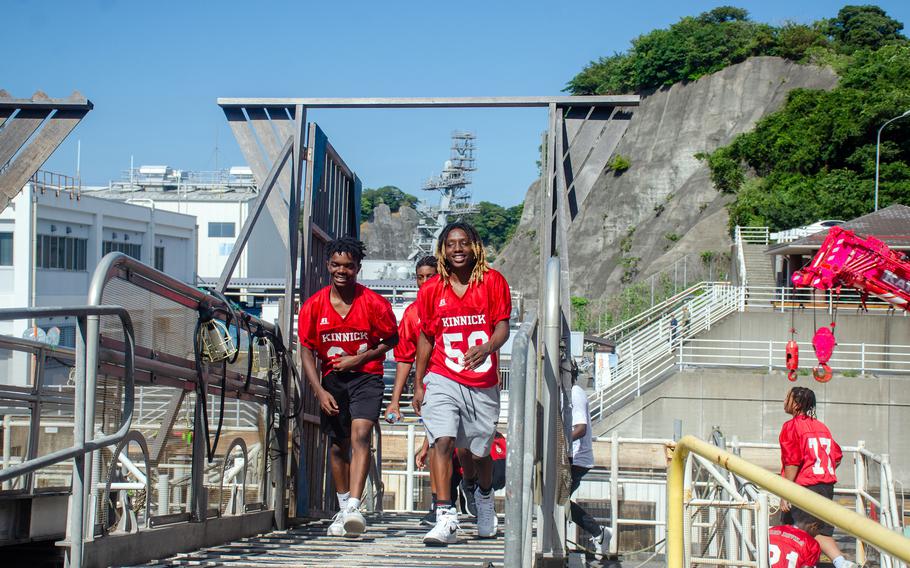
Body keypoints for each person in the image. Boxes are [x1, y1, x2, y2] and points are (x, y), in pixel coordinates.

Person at [412, 221, 511, 546]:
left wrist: (487, 348)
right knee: (443, 440)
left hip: (481, 381)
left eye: (464, 243)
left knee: (479, 453)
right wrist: (419, 381)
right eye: (451, 243)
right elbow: (426, 338)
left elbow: (502, 328)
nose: (458, 248)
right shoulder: (431, 291)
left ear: (475, 247)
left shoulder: (493, 282)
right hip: (443, 375)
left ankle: (483, 499)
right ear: (443, 249)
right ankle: (446, 515)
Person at [298, 236, 398, 538]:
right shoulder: (314, 306)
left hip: (367, 377)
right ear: (328, 266)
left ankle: (355, 506)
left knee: (361, 435)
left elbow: (391, 339)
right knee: (339, 446)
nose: (342, 271)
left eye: (349, 266)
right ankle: (343, 509)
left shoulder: (373, 303)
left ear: (358, 268)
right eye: (337, 265)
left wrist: (360, 358)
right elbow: (305, 349)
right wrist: (318, 390)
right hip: (332, 382)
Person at [384, 255, 441, 526]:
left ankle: (471, 492)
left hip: (457, 379)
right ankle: (440, 504)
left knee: (464, 447)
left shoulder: (450, 305)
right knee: (439, 442)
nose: (425, 282)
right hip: (429, 387)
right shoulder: (411, 314)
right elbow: (404, 358)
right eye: (421, 277)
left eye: (431, 276)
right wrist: (395, 401)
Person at [778, 387, 856, 568]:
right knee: (819, 531)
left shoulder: (791, 426)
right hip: (826, 486)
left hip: (805, 487)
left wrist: (785, 492)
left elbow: (792, 461)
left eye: (787, 398)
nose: (784, 401)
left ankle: (804, 563)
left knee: (796, 531)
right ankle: (841, 562)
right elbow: (836, 456)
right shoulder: (821, 427)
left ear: (796, 404)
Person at [568, 370, 611, 555]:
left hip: (577, 457)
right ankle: (598, 532)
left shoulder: (575, 392)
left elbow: (581, 428)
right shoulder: (567, 392)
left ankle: (599, 532)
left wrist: (559, 442)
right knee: (558, 502)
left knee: (555, 500)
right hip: (572, 456)